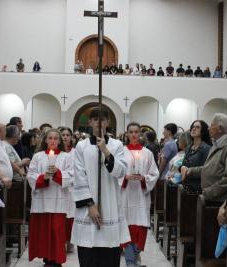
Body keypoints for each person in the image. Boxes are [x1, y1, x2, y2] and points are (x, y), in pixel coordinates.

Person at [71, 108, 129, 267]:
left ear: (108, 122)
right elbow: (79, 176)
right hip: (88, 208)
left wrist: (105, 150)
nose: (99, 123)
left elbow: (121, 171)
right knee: (88, 256)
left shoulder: (117, 145)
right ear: (90, 122)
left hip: (110, 205)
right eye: (95, 119)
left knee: (109, 257)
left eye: (103, 119)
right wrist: (90, 205)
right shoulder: (81, 146)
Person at [27, 128, 73, 266]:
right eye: (50, 138)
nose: (53, 141)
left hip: (59, 202)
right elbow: (31, 175)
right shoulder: (38, 156)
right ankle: (47, 258)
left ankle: (56, 260)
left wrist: (58, 173)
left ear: (59, 141)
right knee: (44, 232)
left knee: (57, 231)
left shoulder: (66, 157)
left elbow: (71, 175)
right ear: (45, 140)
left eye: (56, 138)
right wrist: (44, 177)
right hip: (42, 201)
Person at [120, 122, 159, 267]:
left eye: (137, 132)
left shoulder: (147, 153)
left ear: (140, 134)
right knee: (126, 230)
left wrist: (144, 179)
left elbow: (154, 173)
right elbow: (116, 173)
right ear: (127, 134)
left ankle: (134, 259)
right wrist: (125, 177)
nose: (134, 134)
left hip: (141, 197)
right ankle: (131, 262)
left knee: (140, 230)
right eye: (131, 132)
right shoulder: (121, 152)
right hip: (126, 196)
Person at [182, 113, 227, 202]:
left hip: (218, 200)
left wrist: (209, 192)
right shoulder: (215, 145)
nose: (209, 128)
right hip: (210, 198)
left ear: (220, 129)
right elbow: (209, 168)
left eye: (212, 125)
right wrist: (191, 171)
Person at [180, 120, 212, 193]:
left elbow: (206, 170)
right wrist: (182, 168)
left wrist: (188, 171)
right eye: (193, 127)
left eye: (197, 127)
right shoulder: (189, 147)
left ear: (203, 131)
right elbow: (184, 165)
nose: (194, 129)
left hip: (198, 188)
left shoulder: (206, 148)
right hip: (186, 186)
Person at [60, 127, 75, 253]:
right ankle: (61, 241)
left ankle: (69, 240)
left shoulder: (75, 152)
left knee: (71, 215)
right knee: (61, 215)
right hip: (59, 188)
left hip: (73, 188)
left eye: (67, 135)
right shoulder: (56, 152)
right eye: (63, 135)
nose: (65, 137)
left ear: (71, 137)